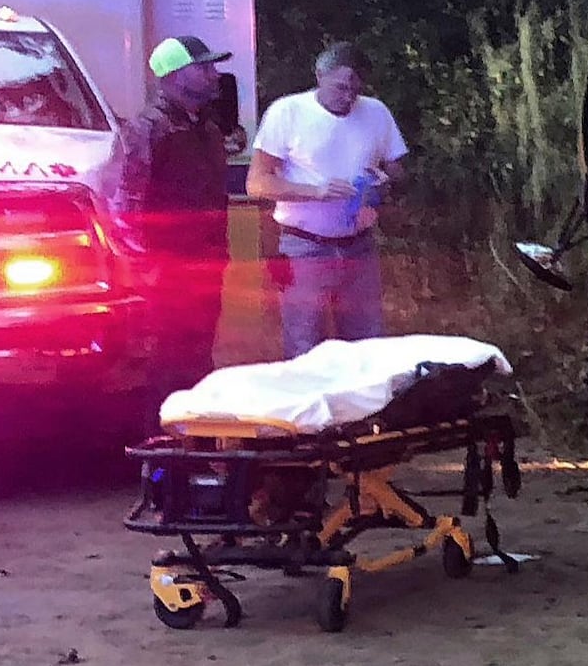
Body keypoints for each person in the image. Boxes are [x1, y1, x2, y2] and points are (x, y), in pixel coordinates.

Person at [97, 34, 241, 413]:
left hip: (205, 267)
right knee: (166, 364)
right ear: (174, 76)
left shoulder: (207, 130)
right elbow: (126, 206)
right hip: (167, 273)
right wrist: (148, 270)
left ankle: (200, 445)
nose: (214, 75)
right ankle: (164, 458)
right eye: (204, 67)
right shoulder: (147, 130)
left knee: (198, 360)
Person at [250, 41, 408, 355]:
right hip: (304, 247)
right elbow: (257, 183)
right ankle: (312, 403)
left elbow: (397, 168)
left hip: (359, 247)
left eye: (355, 89)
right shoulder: (288, 112)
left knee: (367, 346)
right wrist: (317, 192)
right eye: (341, 87)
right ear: (320, 75)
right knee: (306, 346)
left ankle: (365, 405)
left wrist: (385, 182)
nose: (348, 96)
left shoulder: (375, 112)